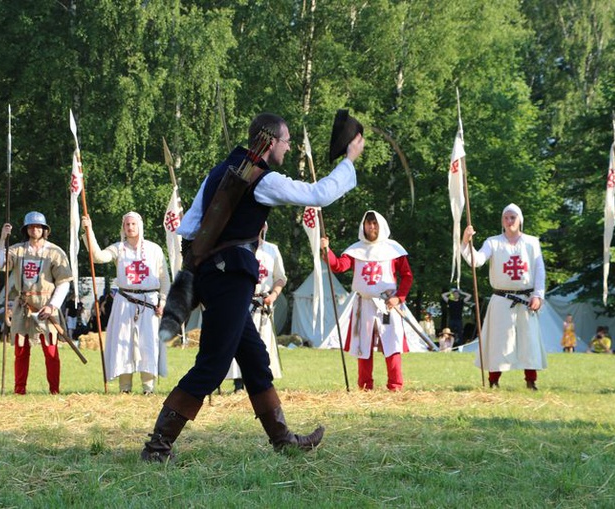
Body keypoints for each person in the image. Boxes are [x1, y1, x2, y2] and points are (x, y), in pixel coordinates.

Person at [141, 111, 364, 462]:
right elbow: (319, 194)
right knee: (213, 365)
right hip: (229, 277)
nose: (288, 149)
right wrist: (349, 160)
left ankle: (282, 440)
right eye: (286, 142)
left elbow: (190, 227)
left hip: (217, 275)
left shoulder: (221, 170)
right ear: (270, 141)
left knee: (255, 360)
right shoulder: (262, 179)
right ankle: (157, 446)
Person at [321, 210, 413, 391]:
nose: (371, 227)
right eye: (368, 223)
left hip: (388, 304)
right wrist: (327, 250)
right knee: (363, 345)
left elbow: (407, 275)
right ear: (363, 226)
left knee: (392, 343)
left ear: (381, 225)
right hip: (364, 304)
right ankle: (365, 386)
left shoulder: (394, 250)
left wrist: (398, 297)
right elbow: (339, 266)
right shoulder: (356, 250)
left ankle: (395, 385)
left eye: (375, 223)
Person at [82, 212, 170, 394]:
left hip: (149, 303)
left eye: (133, 224)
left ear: (140, 226)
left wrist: (163, 301)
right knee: (124, 343)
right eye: (127, 225)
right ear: (123, 227)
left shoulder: (154, 249)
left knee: (149, 343)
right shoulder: (118, 248)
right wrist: (89, 230)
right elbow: (98, 256)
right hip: (124, 301)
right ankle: (125, 389)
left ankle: (148, 388)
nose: (130, 227)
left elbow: (164, 279)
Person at [461, 203, 547, 390]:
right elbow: (477, 261)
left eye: (513, 217)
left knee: (528, 340)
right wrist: (466, 242)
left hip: (526, 299)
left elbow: (539, 271)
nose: (509, 221)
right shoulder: (493, 242)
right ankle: (494, 381)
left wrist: (538, 295)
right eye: (506, 218)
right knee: (499, 340)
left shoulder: (532, 242)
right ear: (502, 221)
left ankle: (531, 381)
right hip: (501, 299)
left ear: (520, 220)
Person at [0, 211, 73, 395]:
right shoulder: (17, 250)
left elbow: (64, 282)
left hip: (46, 304)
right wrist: (2, 238)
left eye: (38, 227)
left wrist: (52, 306)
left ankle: (54, 390)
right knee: (21, 350)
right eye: (31, 226)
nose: (34, 229)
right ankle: (19, 390)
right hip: (23, 305)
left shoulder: (55, 252)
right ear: (26, 229)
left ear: (44, 230)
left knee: (51, 350)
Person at [226, 223, 286, 392]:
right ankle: (239, 384)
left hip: (262, 304)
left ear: (264, 228)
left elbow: (280, 278)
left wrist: (273, 296)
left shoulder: (272, 250)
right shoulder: (237, 249)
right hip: (242, 302)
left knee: (262, 344)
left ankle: (261, 383)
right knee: (238, 342)